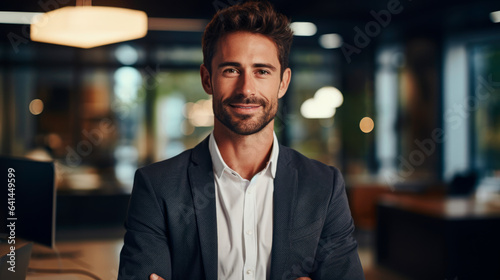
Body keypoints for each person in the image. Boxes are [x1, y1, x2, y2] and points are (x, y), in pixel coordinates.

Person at [118, 1, 364, 279]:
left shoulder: (324, 185)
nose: (246, 88)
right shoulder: (157, 187)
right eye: (231, 70)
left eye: (262, 71)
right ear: (207, 79)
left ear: (283, 83)